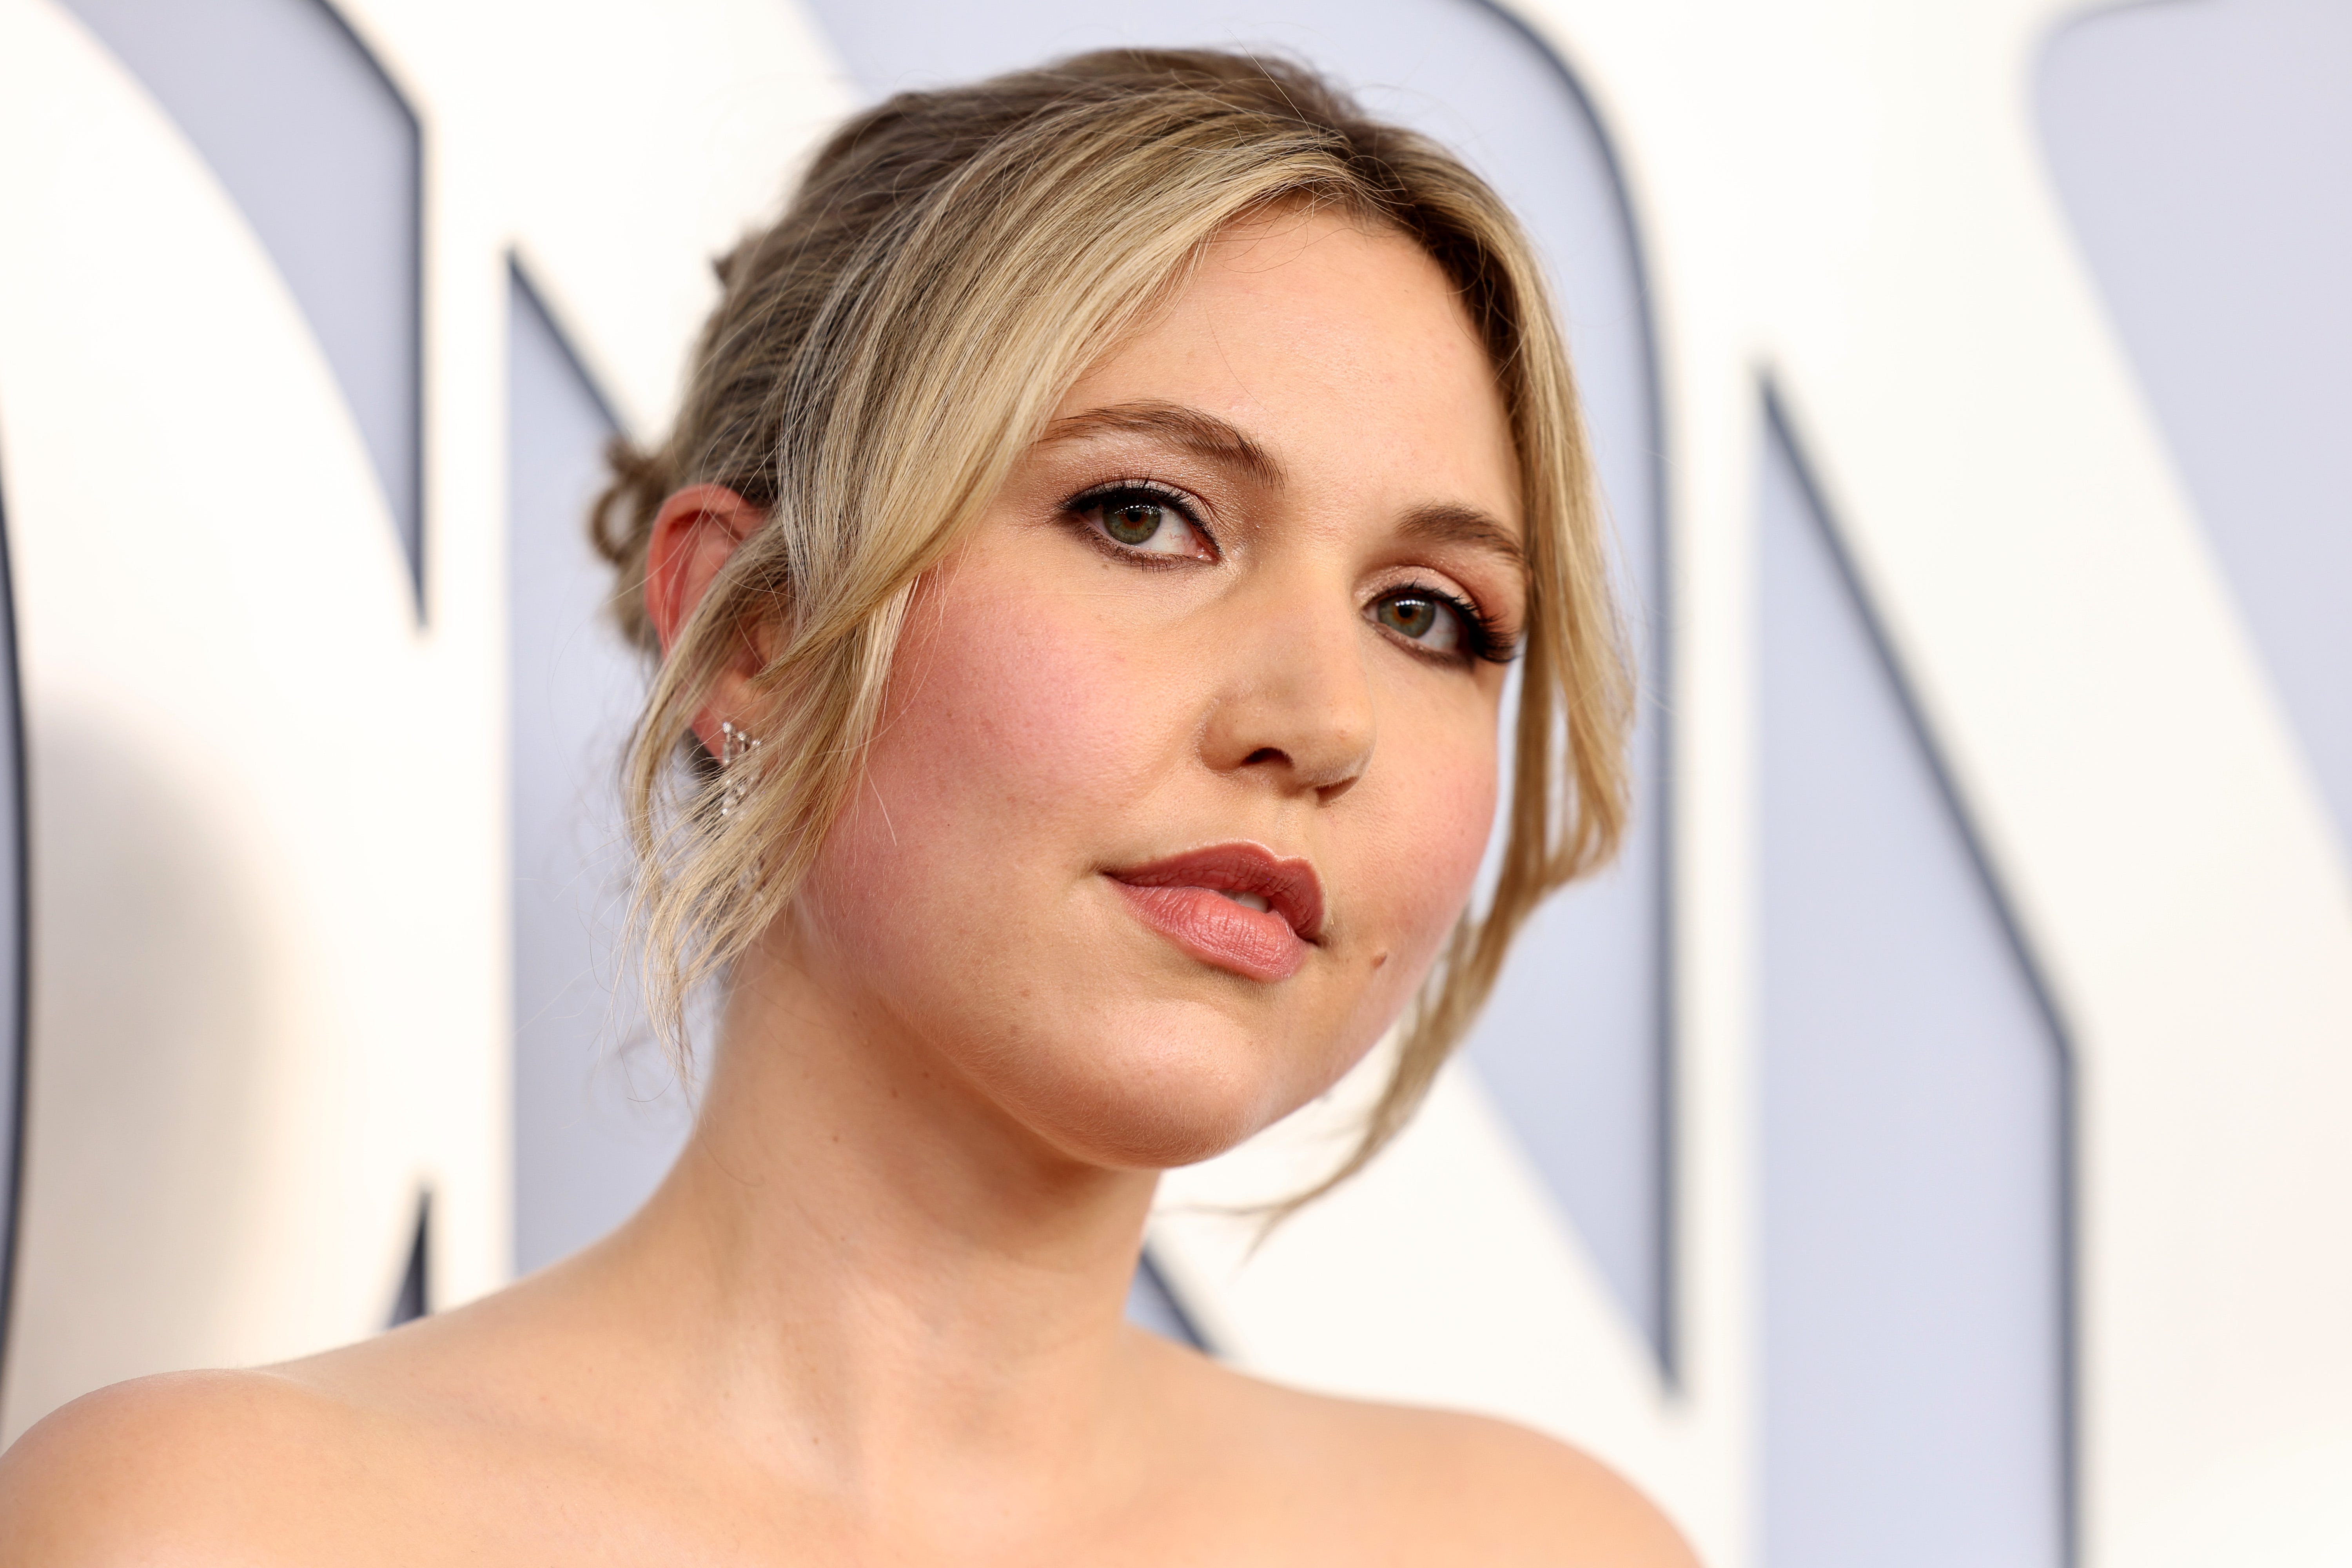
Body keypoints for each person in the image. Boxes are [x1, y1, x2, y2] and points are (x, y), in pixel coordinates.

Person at [0, 49, 1693, 1564]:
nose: (1323, 723)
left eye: (1430, 615)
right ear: (757, 637)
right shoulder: (210, 1530)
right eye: (1144, 515)